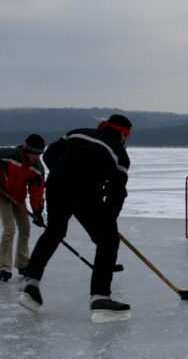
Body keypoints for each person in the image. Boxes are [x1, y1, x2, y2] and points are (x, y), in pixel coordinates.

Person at [18, 115, 133, 323]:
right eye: (127, 136)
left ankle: (31, 283)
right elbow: (117, 193)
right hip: (86, 191)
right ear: (123, 134)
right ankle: (100, 298)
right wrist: (108, 220)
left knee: (55, 230)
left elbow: (50, 155)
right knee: (108, 240)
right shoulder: (119, 152)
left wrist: (64, 172)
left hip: (56, 184)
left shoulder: (78, 132)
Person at [0, 135, 46, 282]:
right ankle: (4, 267)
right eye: (35, 153)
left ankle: (23, 264)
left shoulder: (37, 168)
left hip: (18, 197)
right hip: (2, 194)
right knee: (9, 229)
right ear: (27, 150)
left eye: (39, 154)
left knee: (25, 228)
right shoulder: (7, 156)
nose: (37, 157)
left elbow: (36, 191)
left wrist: (37, 211)